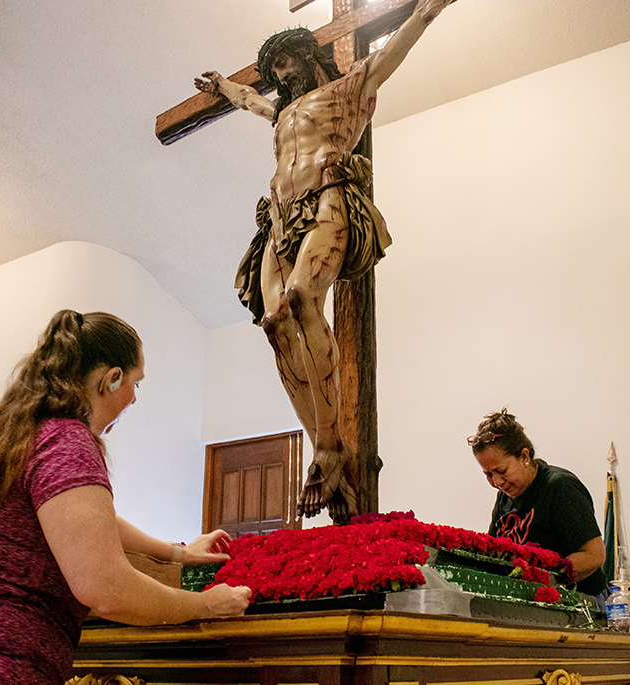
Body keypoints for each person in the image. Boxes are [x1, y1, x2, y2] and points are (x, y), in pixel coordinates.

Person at [0, 310, 251, 685]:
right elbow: (107, 589)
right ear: (111, 379)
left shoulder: (4, 437)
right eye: (137, 383)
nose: (134, 399)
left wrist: (178, 552)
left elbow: (85, 521)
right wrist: (205, 604)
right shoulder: (66, 440)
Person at [194, 0, 454, 524]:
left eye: (286, 63)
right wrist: (225, 88)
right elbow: (252, 102)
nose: (280, 76)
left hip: (327, 197)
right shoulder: (283, 113)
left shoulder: (346, 91)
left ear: (308, 56)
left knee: (299, 297)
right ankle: (323, 447)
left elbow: (387, 60)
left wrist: (426, 12)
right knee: (272, 321)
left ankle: (332, 446)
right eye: (274, 72)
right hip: (280, 217)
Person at [469, 408, 608, 597]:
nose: (497, 482)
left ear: (524, 456)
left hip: (580, 603)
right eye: (488, 474)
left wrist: (543, 577)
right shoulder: (505, 496)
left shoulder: (559, 487)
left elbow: (594, 556)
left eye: (501, 471)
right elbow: (493, 552)